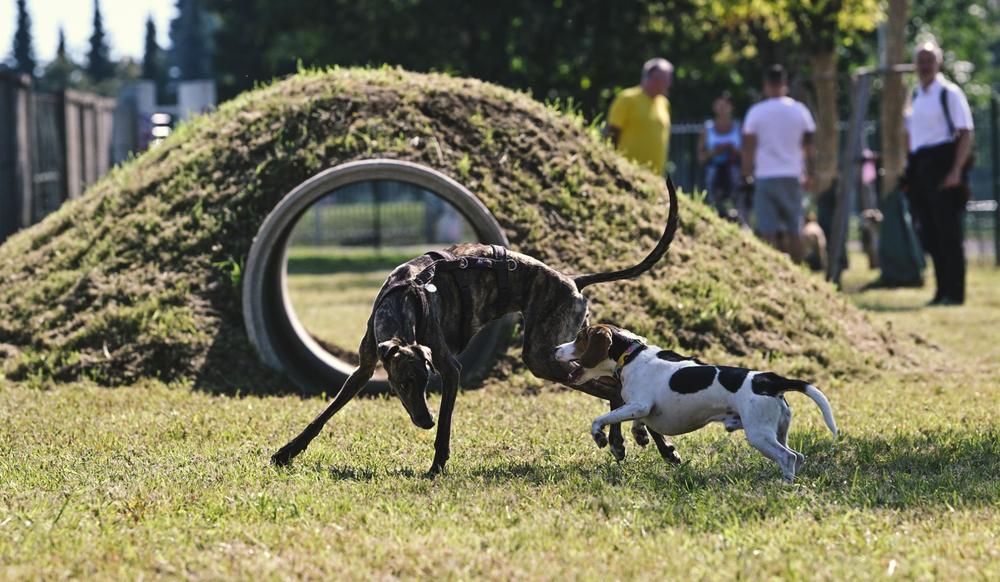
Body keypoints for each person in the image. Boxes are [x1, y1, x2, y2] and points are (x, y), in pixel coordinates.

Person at [904, 41, 975, 306]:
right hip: (922, 166)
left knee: (949, 234)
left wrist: (956, 170)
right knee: (930, 234)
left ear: (938, 63)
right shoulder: (916, 96)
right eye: (920, 60)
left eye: (929, 60)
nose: (924, 65)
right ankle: (940, 289)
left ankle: (955, 293)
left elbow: (966, 132)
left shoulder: (949, 93)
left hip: (944, 163)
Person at [741, 64, 816, 263]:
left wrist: (745, 174)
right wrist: (811, 173)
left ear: (765, 85)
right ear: (785, 83)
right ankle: (799, 271)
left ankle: (772, 272)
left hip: (765, 175)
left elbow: (749, 148)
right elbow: (808, 146)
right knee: (795, 229)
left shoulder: (756, 112)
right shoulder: (800, 111)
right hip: (792, 174)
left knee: (768, 232)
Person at [606, 58, 673, 176]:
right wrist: (612, 164)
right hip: (627, 173)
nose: (669, 84)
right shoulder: (627, 98)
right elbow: (612, 132)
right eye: (665, 79)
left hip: (655, 175)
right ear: (653, 78)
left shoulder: (664, 103)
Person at [697, 91, 746, 225]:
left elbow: (746, 154)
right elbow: (701, 158)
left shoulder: (738, 127)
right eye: (720, 105)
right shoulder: (707, 129)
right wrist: (715, 152)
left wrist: (732, 150)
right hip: (714, 175)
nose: (723, 108)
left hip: (733, 174)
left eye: (726, 105)